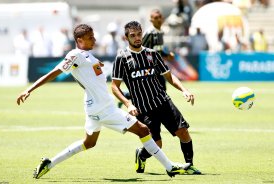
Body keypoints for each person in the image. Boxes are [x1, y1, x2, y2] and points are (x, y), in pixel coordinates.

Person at [16, 24, 191, 179]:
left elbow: (85, 78)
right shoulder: (75, 55)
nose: (94, 39)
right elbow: (54, 72)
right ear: (79, 40)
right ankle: (170, 167)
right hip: (103, 108)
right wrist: (29, 90)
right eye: (90, 38)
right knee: (144, 130)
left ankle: (50, 163)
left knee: (88, 143)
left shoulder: (87, 56)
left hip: (94, 108)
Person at [111, 21, 201, 175]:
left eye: (139, 34)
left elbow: (169, 76)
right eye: (133, 35)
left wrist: (184, 90)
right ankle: (141, 154)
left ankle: (189, 165)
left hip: (163, 101)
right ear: (127, 38)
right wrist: (128, 104)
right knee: (157, 144)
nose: (137, 38)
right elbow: (114, 86)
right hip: (143, 109)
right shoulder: (122, 58)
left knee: (183, 132)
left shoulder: (152, 54)